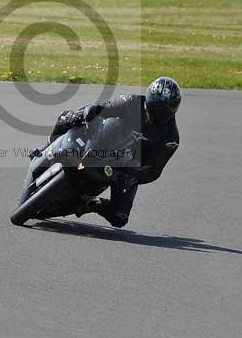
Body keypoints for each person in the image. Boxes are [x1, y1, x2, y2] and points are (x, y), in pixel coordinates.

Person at [29, 76, 181, 228]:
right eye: (154, 107)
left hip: (126, 167)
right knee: (69, 117)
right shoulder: (132, 101)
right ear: (148, 100)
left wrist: (133, 176)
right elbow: (102, 108)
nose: (157, 113)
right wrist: (86, 113)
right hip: (104, 140)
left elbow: (154, 169)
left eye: (163, 110)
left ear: (173, 110)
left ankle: (90, 204)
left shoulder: (170, 138)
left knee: (119, 217)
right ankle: (44, 148)